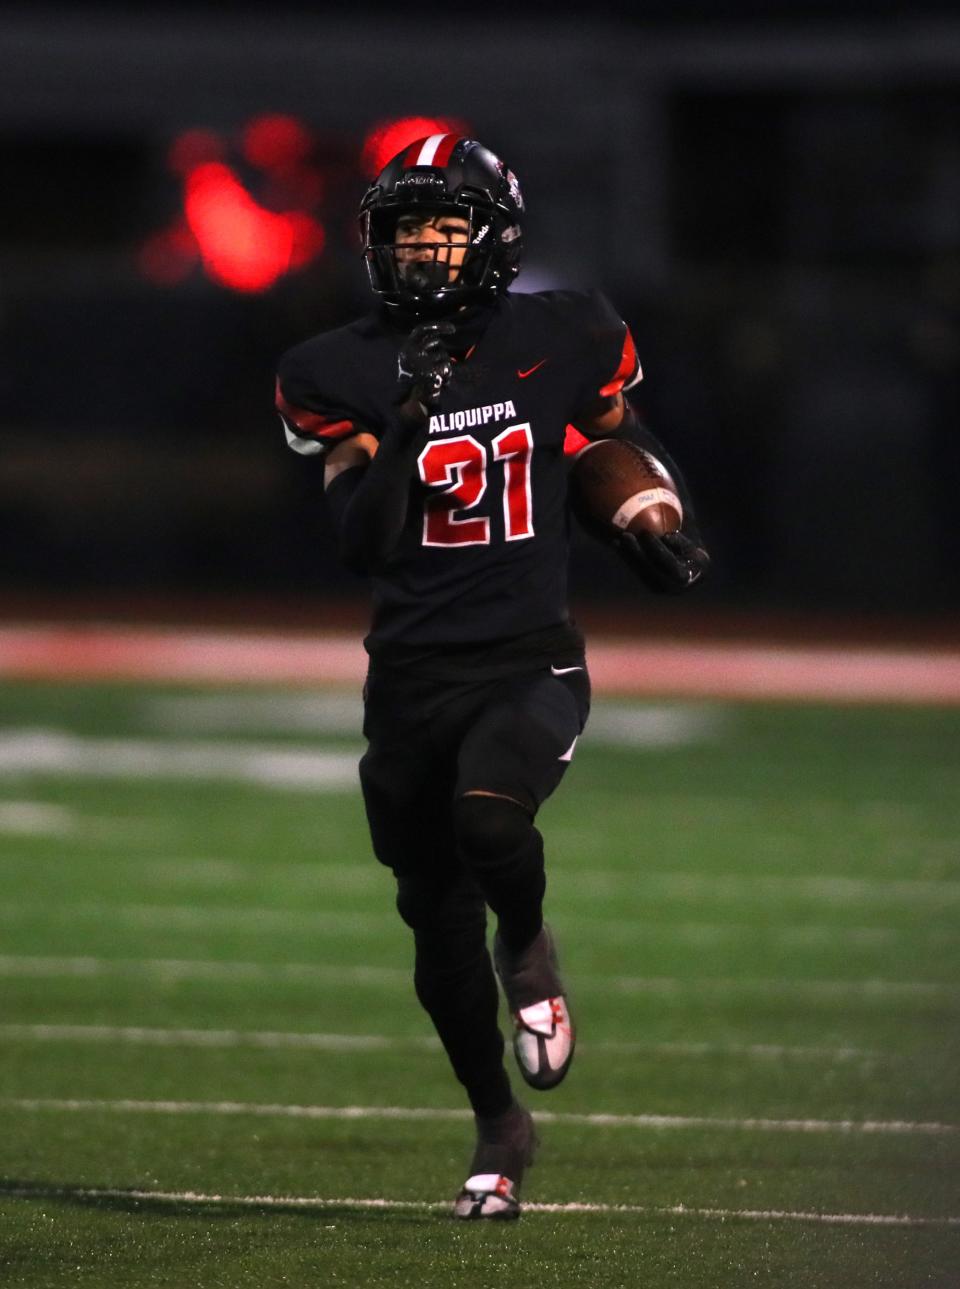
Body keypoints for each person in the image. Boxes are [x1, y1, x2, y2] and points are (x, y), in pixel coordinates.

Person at [275, 134, 709, 1220]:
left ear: (494, 236)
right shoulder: (337, 368)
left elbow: (613, 434)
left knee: (491, 823)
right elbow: (365, 544)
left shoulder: (565, 334)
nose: (422, 247)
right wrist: (410, 414)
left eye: (444, 224)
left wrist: (646, 515)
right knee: (429, 914)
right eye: (405, 227)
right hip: (411, 677)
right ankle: (496, 1119)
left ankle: (530, 945)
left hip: (527, 655)